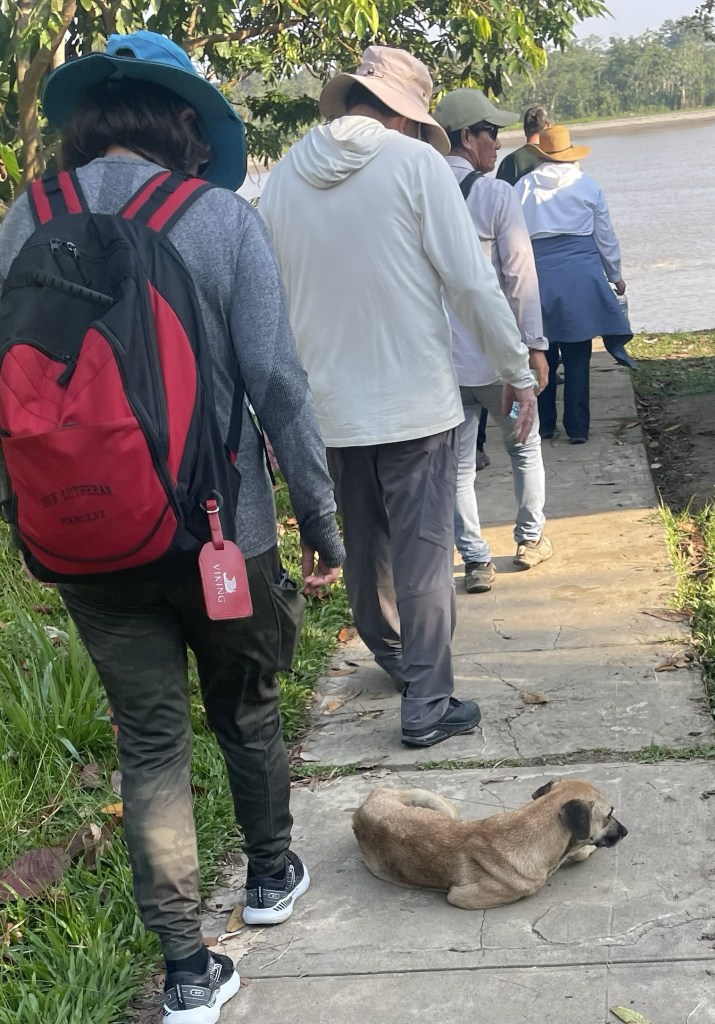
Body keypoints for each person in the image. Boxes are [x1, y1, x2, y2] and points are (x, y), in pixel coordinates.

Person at [0, 31, 345, 1024]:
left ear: (88, 120)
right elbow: (277, 384)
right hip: (220, 533)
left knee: (149, 743)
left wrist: (23, 512)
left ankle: (189, 971)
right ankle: (271, 875)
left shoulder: (23, 218)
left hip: (81, 535)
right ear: (187, 123)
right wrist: (320, 520)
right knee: (245, 705)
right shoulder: (218, 218)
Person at [259, 47, 536, 746]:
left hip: (327, 409)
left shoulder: (283, 177)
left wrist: (276, 415)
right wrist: (516, 368)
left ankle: (397, 660)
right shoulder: (415, 165)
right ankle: (428, 703)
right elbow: (470, 283)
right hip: (414, 399)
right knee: (424, 553)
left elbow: (271, 304)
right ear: (408, 117)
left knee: (365, 545)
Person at [433, 88, 554, 594]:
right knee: (524, 446)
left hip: (441, 361)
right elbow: (519, 277)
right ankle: (529, 539)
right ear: (467, 136)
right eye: (491, 133)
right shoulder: (496, 195)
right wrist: (534, 347)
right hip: (496, 358)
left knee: (459, 465)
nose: (498, 144)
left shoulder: (417, 192)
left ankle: (476, 559)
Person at [515, 125, 635, 444]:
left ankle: (545, 425)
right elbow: (605, 236)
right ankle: (578, 428)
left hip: (537, 276)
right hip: (580, 276)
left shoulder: (522, 187)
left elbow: (510, 238)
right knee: (578, 353)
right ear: (570, 155)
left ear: (541, 154)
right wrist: (615, 274)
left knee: (541, 350)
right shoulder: (587, 186)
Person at [496, 105, 550, 186]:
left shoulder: (511, 160)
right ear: (547, 126)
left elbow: (500, 191)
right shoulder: (555, 157)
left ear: (525, 128)